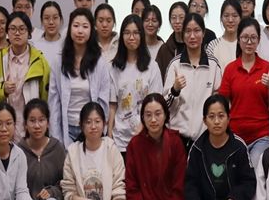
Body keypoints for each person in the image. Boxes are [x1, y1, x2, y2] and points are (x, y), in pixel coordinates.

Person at [185, 95, 256, 200]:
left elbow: (249, 181)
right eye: (211, 116)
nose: (216, 121)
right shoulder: (197, 149)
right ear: (204, 120)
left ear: (228, 118)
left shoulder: (239, 146)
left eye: (221, 116)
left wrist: (234, 199)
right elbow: (190, 186)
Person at [218, 17, 269, 168]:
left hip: (261, 136)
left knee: (253, 167)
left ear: (259, 40)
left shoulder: (266, 67)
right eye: (245, 37)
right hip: (235, 135)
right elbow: (222, 102)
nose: (249, 42)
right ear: (239, 39)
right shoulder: (230, 69)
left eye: (253, 38)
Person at [48, 8, 111, 148]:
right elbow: (54, 101)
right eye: (76, 26)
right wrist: (56, 136)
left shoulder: (99, 62)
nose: (80, 31)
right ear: (69, 29)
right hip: (66, 127)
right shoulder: (58, 61)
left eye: (85, 26)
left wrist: (100, 129)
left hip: (91, 127)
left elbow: (103, 100)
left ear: (91, 30)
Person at [0, 12, 51, 142]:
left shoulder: (40, 60)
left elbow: (46, 98)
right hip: (6, 126)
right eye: (12, 29)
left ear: (29, 33)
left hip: (32, 126)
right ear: (7, 33)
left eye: (22, 29)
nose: (17, 33)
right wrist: (3, 90)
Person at [163, 13, 222, 150]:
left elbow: (219, 102)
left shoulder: (213, 65)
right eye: (188, 31)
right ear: (183, 35)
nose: (192, 36)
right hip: (177, 138)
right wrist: (174, 90)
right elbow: (164, 106)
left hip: (205, 138)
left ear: (203, 33)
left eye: (197, 31)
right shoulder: (175, 65)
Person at [108, 14, 163, 156]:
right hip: (120, 140)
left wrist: (143, 127)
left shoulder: (152, 67)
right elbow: (112, 105)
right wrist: (109, 136)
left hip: (146, 137)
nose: (131, 37)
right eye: (127, 33)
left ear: (141, 35)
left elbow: (156, 103)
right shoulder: (114, 68)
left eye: (135, 33)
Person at [206, 0, 242, 69]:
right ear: (221, 18)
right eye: (226, 16)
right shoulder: (213, 46)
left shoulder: (246, 44)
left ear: (240, 18)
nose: (230, 20)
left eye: (235, 16)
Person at [156, 1, 188, 80]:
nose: (177, 21)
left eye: (181, 17)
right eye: (173, 17)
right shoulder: (164, 49)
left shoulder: (194, 47)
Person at [32, 1, 64, 69]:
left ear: (60, 19)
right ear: (41, 20)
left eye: (55, 18)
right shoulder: (34, 47)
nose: (51, 22)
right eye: (46, 18)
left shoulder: (67, 45)